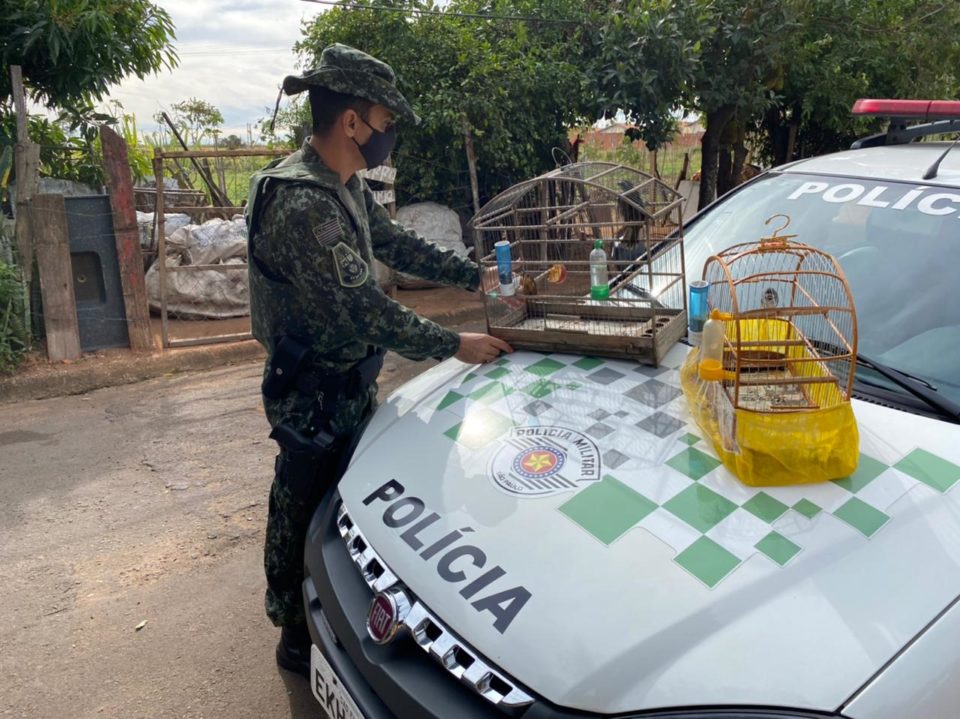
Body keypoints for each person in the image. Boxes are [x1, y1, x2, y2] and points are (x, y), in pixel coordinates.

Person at [245, 44, 512, 677]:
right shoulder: (303, 204)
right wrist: (454, 344)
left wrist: (477, 277)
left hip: (350, 381)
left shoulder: (343, 185)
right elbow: (364, 310)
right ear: (352, 122)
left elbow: (396, 244)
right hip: (311, 390)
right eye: (385, 122)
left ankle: (347, 606)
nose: (389, 135)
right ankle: (292, 629)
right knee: (301, 502)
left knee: (354, 506)